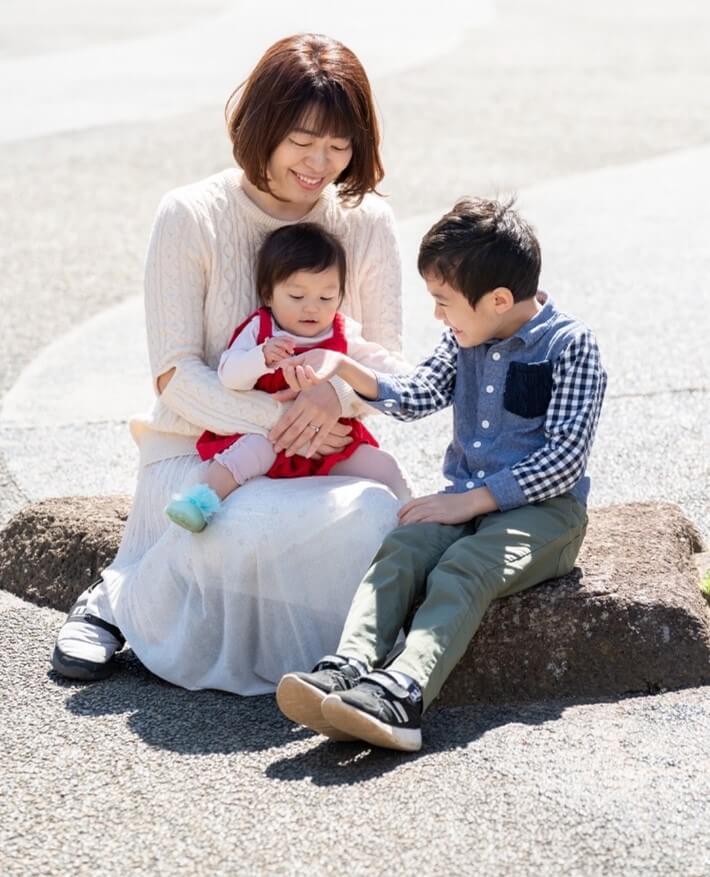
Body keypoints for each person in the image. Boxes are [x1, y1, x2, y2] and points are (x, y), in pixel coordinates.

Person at [51, 33, 407, 693]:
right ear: (263, 123)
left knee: (375, 515)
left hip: (324, 453)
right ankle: (121, 595)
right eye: (303, 139)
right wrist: (279, 418)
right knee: (245, 525)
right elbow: (174, 374)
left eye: (339, 144)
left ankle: (340, 663)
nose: (321, 162)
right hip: (203, 451)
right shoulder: (192, 215)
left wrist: (336, 399)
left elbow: (390, 365)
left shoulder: (368, 222)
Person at [275, 197, 607, 752]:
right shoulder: (467, 335)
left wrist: (471, 501)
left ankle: (403, 694)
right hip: (467, 502)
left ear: (499, 300)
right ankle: (350, 666)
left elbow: (563, 461)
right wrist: (345, 369)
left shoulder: (571, 347)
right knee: (405, 545)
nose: (439, 317)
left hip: (545, 514)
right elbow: (422, 391)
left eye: (444, 302)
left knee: (464, 565)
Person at [165, 222, 409, 532]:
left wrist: (371, 377)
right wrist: (261, 358)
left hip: (328, 440)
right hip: (270, 436)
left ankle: (413, 513)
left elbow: (381, 370)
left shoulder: (343, 332)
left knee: (383, 465)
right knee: (237, 460)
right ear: (268, 294)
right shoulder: (261, 329)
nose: (311, 308)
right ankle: (199, 504)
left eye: (326, 297)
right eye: (296, 296)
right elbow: (229, 375)